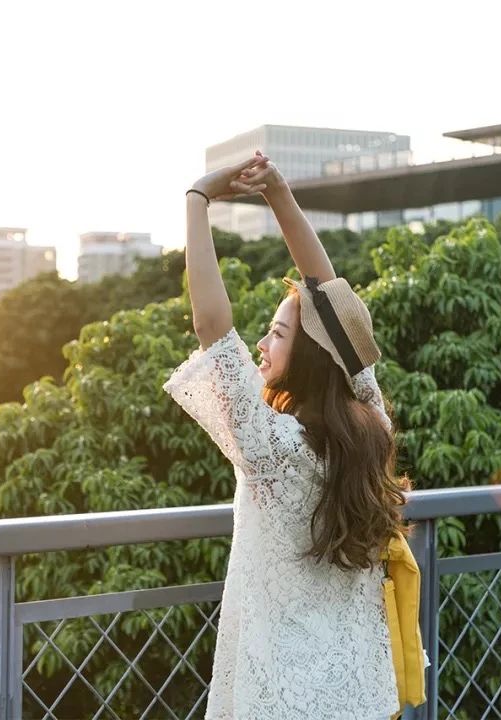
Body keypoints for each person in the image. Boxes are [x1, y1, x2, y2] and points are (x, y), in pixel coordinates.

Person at [162, 151, 414, 719]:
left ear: (309, 357)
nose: (260, 344)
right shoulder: (370, 422)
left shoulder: (270, 448)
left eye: (276, 334)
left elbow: (211, 329)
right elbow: (330, 299)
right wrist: (277, 193)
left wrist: (198, 199)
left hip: (277, 693)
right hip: (356, 691)